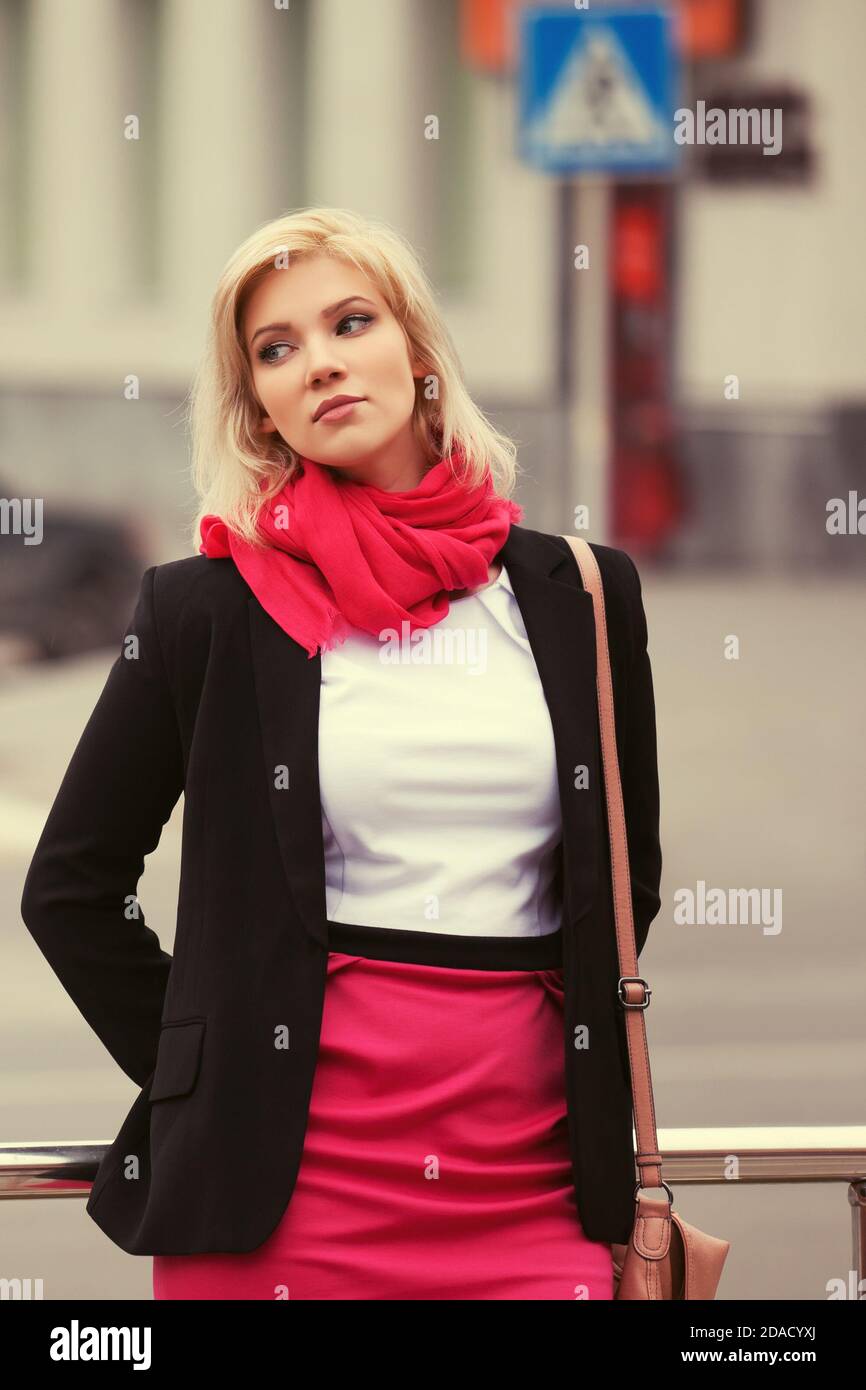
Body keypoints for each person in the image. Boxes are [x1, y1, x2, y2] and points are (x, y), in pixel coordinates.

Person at [20, 207, 662, 1300]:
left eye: (347, 323)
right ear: (260, 409)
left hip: (532, 1185)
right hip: (287, 1202)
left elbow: (621, 876)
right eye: (275, 350)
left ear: (415, 352)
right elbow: (72, 886)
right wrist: (209, 1080)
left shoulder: (579, 594)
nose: (316, 363)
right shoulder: (203, 610)